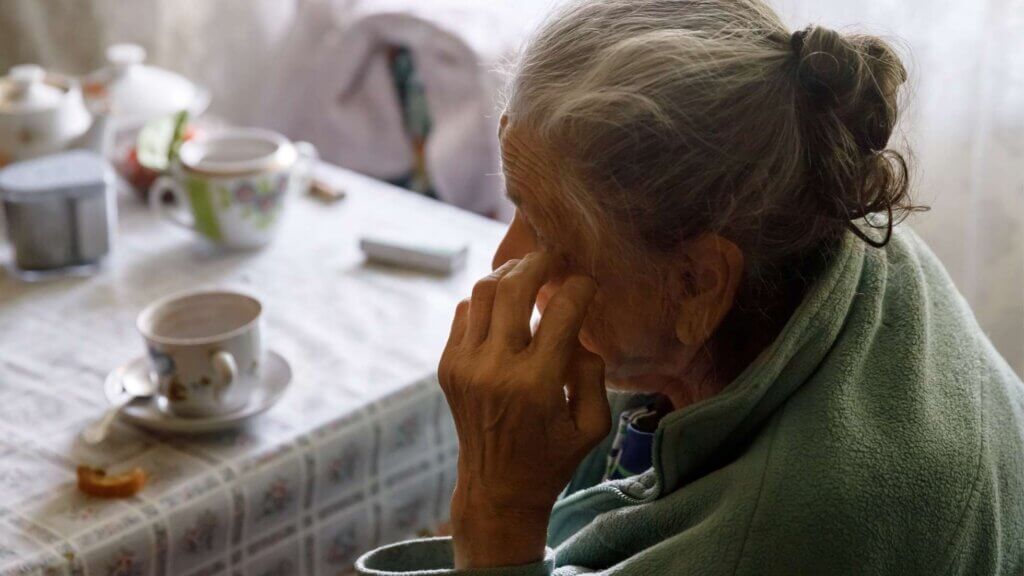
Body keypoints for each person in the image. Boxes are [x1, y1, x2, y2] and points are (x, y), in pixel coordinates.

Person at [357, 0, 1024, 574]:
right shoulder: (812, 201)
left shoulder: (791, 533)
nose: (506, 265)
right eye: (516, 206)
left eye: (552, 234)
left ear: (700, 285)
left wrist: (496, 511)